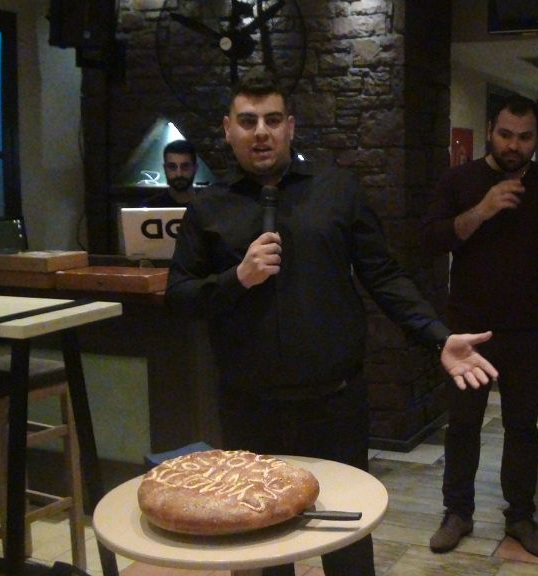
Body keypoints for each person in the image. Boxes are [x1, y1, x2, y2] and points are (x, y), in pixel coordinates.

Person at [164, 72, 499, 576]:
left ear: (291, 127)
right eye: (248, 121)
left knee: (346, 545)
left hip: (334, 405)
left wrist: (438, 337)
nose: (261, 132)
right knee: (258, 548)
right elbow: (180, 297)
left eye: (272, 120)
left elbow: (384, 275)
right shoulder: (208, 207)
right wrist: (237, 278)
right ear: (228, 129)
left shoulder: (336, 190)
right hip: (249, 409)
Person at [420, 94, 538, 558]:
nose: (513, 145)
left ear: (536, 138)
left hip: (531, 332)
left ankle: (521, 516)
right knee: (463, 426)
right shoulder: (459, 180)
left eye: (524, 137)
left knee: (523, 429)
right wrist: (482, 209)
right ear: (490, 130)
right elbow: (431, 240)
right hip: (469, 332)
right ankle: (457, 512)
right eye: (506, 134)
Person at [143, 139, 198, 207]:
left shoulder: (207, 207)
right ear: (165, 169)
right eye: (172, 167)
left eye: (185, 166)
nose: (179, 174)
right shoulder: (150, 208)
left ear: (195, 168)